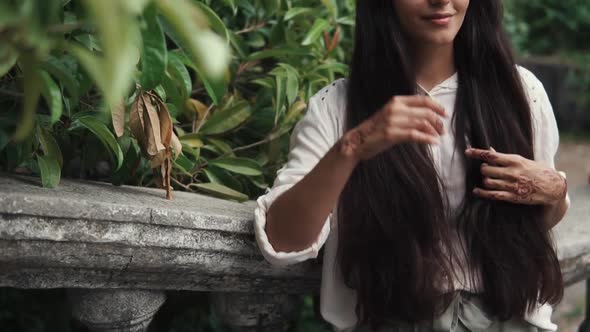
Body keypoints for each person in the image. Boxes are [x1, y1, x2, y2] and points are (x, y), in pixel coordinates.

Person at [253, 0, 572, 331]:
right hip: (391, 319)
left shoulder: (521, 93)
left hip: (509, 319)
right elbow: (283, 241)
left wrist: (555, 191)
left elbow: (538, 220)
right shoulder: (336, 107)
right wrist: (353, 147)